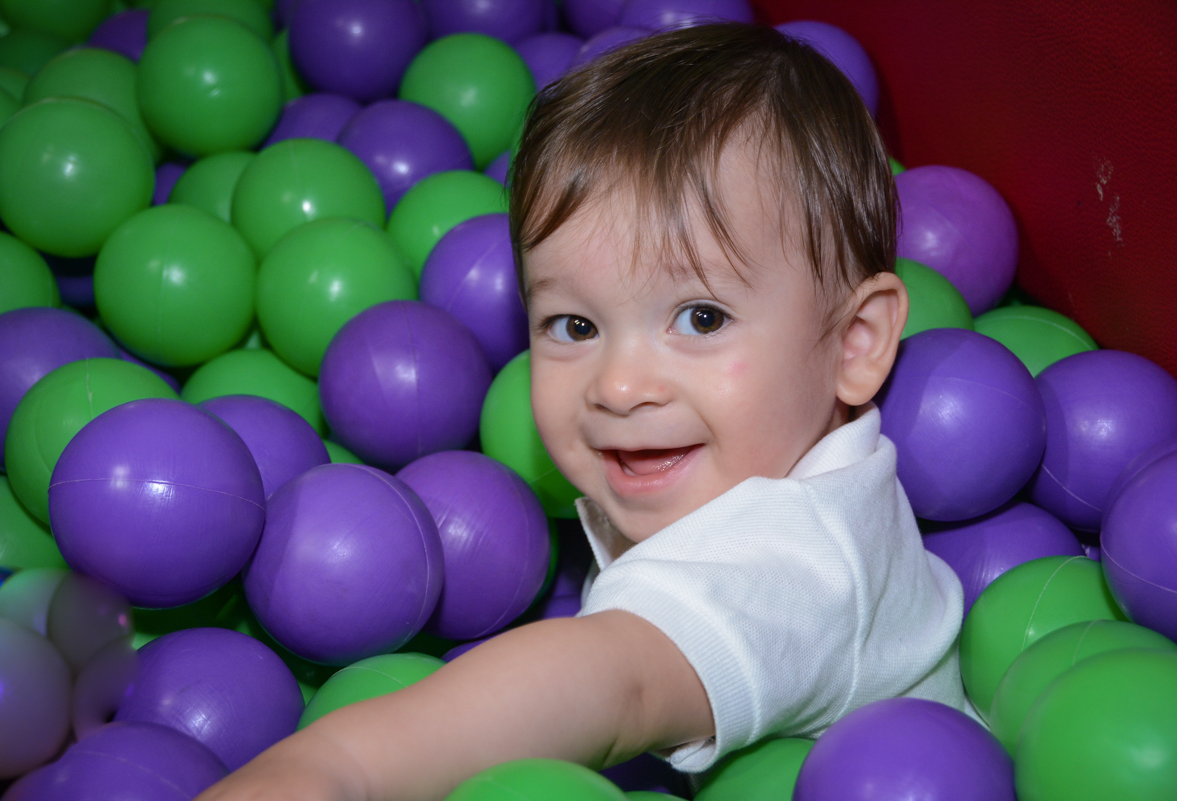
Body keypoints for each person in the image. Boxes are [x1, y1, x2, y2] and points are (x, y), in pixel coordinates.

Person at [197, 22, 963, 801]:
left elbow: (614, 682)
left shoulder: (792, 566)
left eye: (700, 317)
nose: (619, 386)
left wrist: (344, 769)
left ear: (854, 343)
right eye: (576, 326)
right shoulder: (791, 451)